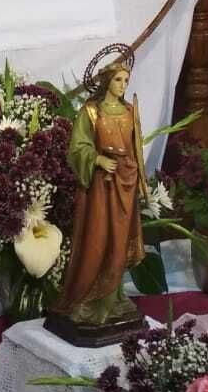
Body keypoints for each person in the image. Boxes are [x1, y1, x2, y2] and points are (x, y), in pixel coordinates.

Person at [50, 47, 147, 336]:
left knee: (120, 239)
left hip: (125, 183)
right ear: (106, 82)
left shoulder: (130, 111)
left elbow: (136, 148)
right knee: (98, 237)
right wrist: (97, 159)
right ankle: (88, 298)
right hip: (100, 188)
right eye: (118, 80)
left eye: (126, 80)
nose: (123, 85)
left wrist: (139, 177)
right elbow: (77, 148)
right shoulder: (91, 112)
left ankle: (114, 297)